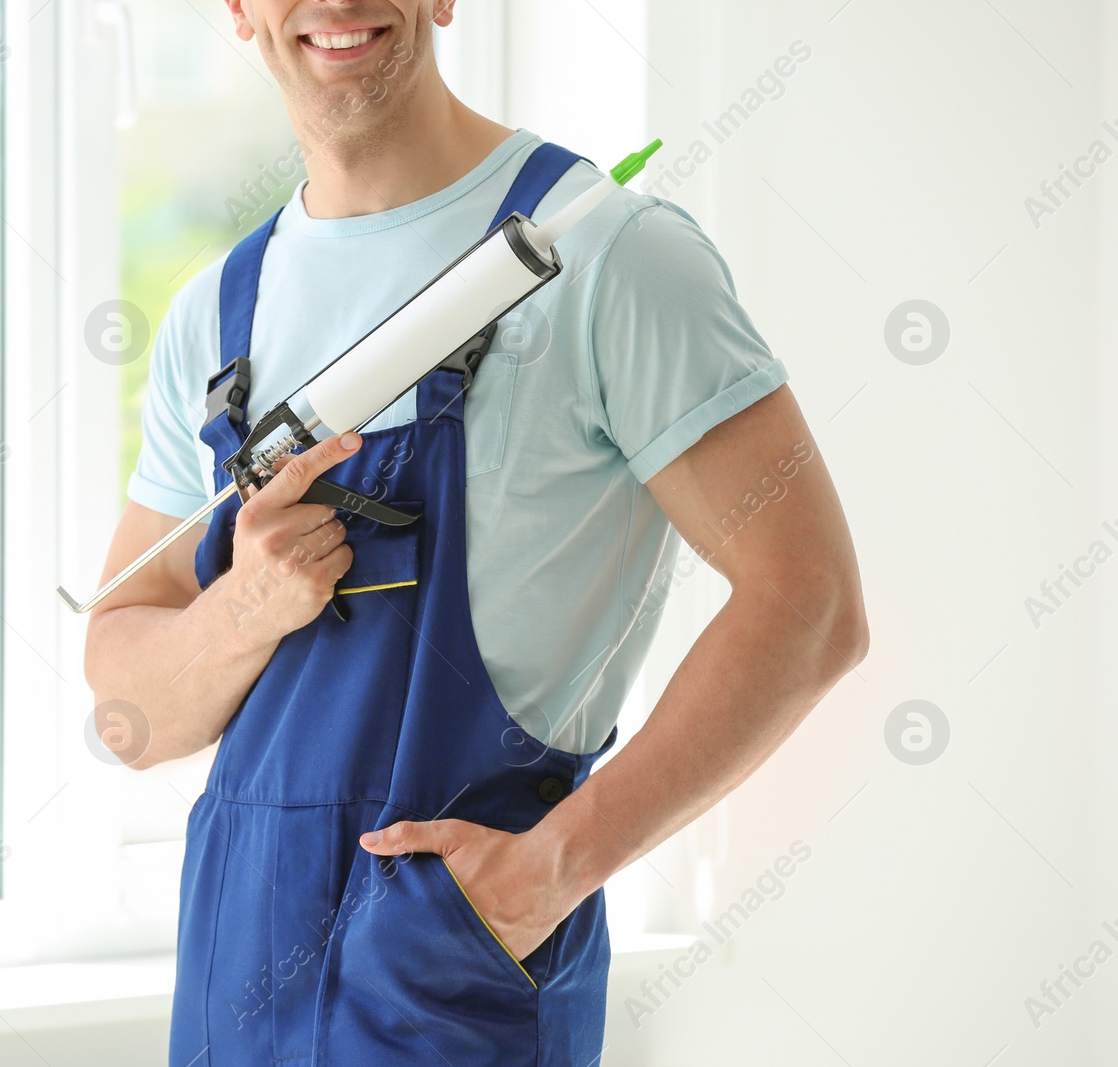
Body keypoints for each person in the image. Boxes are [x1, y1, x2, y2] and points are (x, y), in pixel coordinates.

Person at [83, 2, 869, 1064]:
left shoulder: (602, 252)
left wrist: (552, 865)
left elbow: (809, 604)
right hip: (238, 958)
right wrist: (240, 610)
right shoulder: (216, 315)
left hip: (452, 962)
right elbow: (129, 713)